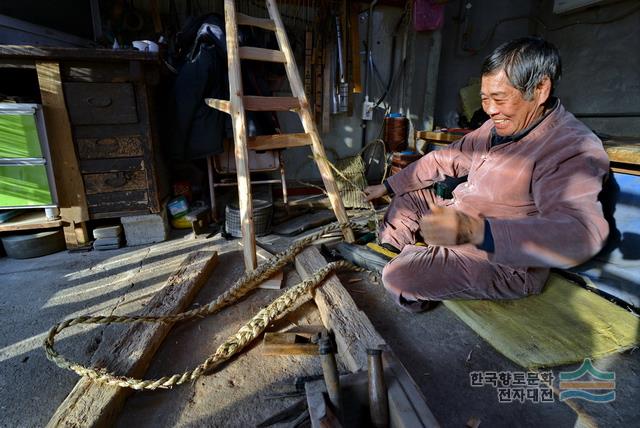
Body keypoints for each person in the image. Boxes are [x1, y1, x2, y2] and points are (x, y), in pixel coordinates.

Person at [363, 36, 610, 312]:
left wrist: (477, 232)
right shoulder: (494, 128)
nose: (490, 110)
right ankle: (407, 254)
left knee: (399, 277)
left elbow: (581, 233)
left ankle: (416, 264)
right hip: (461, 216)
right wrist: (386, 186)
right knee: (409, 196)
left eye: (500, 99)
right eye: (485, 99)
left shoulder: (571, 146)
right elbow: (443, 159)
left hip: (502, 262)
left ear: (540, 89)